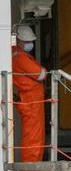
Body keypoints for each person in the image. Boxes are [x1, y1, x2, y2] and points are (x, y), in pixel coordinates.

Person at [11, 25, 47, 162]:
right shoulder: (20, 57)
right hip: (31, 100)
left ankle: (33, 161)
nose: (30, 44)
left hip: (30, 99)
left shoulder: (18, 54)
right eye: (27, 41)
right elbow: (41, 74)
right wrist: (43, 69)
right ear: (19, 40)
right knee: (34, 134)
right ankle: (31, 163)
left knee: (35, 133)